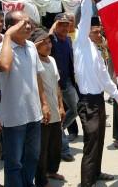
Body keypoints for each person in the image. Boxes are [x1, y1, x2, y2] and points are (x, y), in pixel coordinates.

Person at [74, 0, 118, 187]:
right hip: (87, 102)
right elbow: (85, 15)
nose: (97, 28)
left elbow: (105, 79)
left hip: (98, 101)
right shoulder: (82, 43)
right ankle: (86, 182)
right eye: (93, 27)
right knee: (90, 143)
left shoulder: (95, 50)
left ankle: (96, 173)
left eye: (98, 27)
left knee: (98, 140)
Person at [0, 11, 51, 187]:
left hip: (34, 114)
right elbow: (3, 66)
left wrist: (44, 103)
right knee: (14, 163)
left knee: (32, 157)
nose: (28, 26)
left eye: (28, 22)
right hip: (14, 118)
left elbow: (37, 76)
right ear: (10, 27)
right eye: (21, 23)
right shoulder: (1, 48)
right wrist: (8, 37)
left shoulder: (31, 47)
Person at [30, 29, 66, 187]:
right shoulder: (33, 62)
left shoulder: (52, 60)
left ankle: (52, 170)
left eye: (49, 42)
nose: (48, 45)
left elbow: (57, 85)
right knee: (42, 148)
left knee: (55, 145)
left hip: (55, 110)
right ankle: (41, 180)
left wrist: (61, 105)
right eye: (43, 42)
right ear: (35, 45)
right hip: (42, 112)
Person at [50, 13, 78, 161]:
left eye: (67, 24)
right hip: (54, 84)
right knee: (57, 114)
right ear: (55, 25)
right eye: (62, 24)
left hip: (67, 82)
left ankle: (58, 129)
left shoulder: (68, 40)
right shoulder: (50, 39)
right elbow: (47, 37)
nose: (65, 27)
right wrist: (53, 27)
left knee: (75, 109)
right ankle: (64, 149)